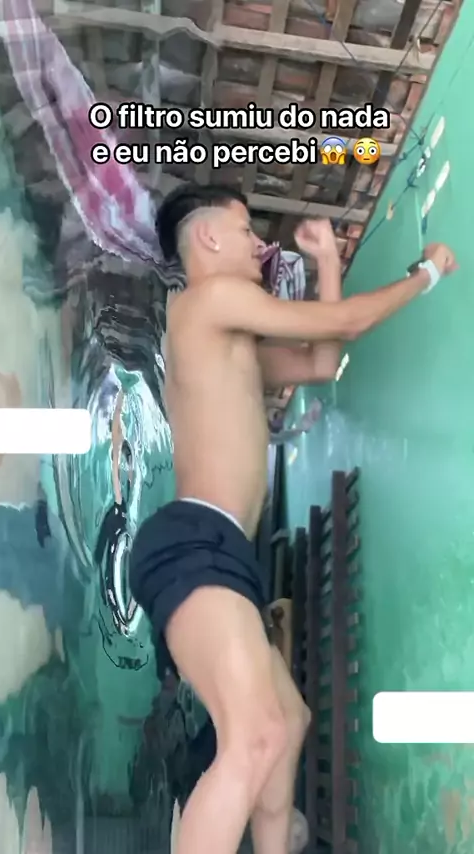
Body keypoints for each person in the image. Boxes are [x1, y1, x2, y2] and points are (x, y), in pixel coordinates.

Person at [129, 182, 457, 854]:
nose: (260, 245)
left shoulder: (228, 336)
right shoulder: (205, 300)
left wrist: (329, 264)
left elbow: (322, 360)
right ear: (208, 238)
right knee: (256, 736)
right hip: (193, 543)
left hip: (220, 551)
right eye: (247, 231)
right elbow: (345, 327)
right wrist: (424, 275)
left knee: (289, 720)